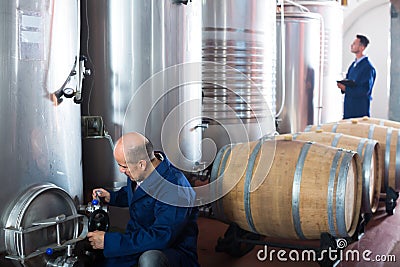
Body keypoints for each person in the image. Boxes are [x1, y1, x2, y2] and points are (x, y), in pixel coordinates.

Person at [87, 132, 200, 267]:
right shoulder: (140, 171)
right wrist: (112, 197)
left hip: (168, 250)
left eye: (124, 166)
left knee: (150, 261)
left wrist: (109, 242)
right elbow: (139, 195)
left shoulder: (174, 189)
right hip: (140, 238)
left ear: (142, 164)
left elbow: (161, 237)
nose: (121, 170)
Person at [337, 34, 376, 119]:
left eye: (355, 43)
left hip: (359, 112)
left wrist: (345, 89)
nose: (352, 45)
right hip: (349, 109)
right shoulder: (353, 65)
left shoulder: (368, 68)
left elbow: (364, 90)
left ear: (362, 47)